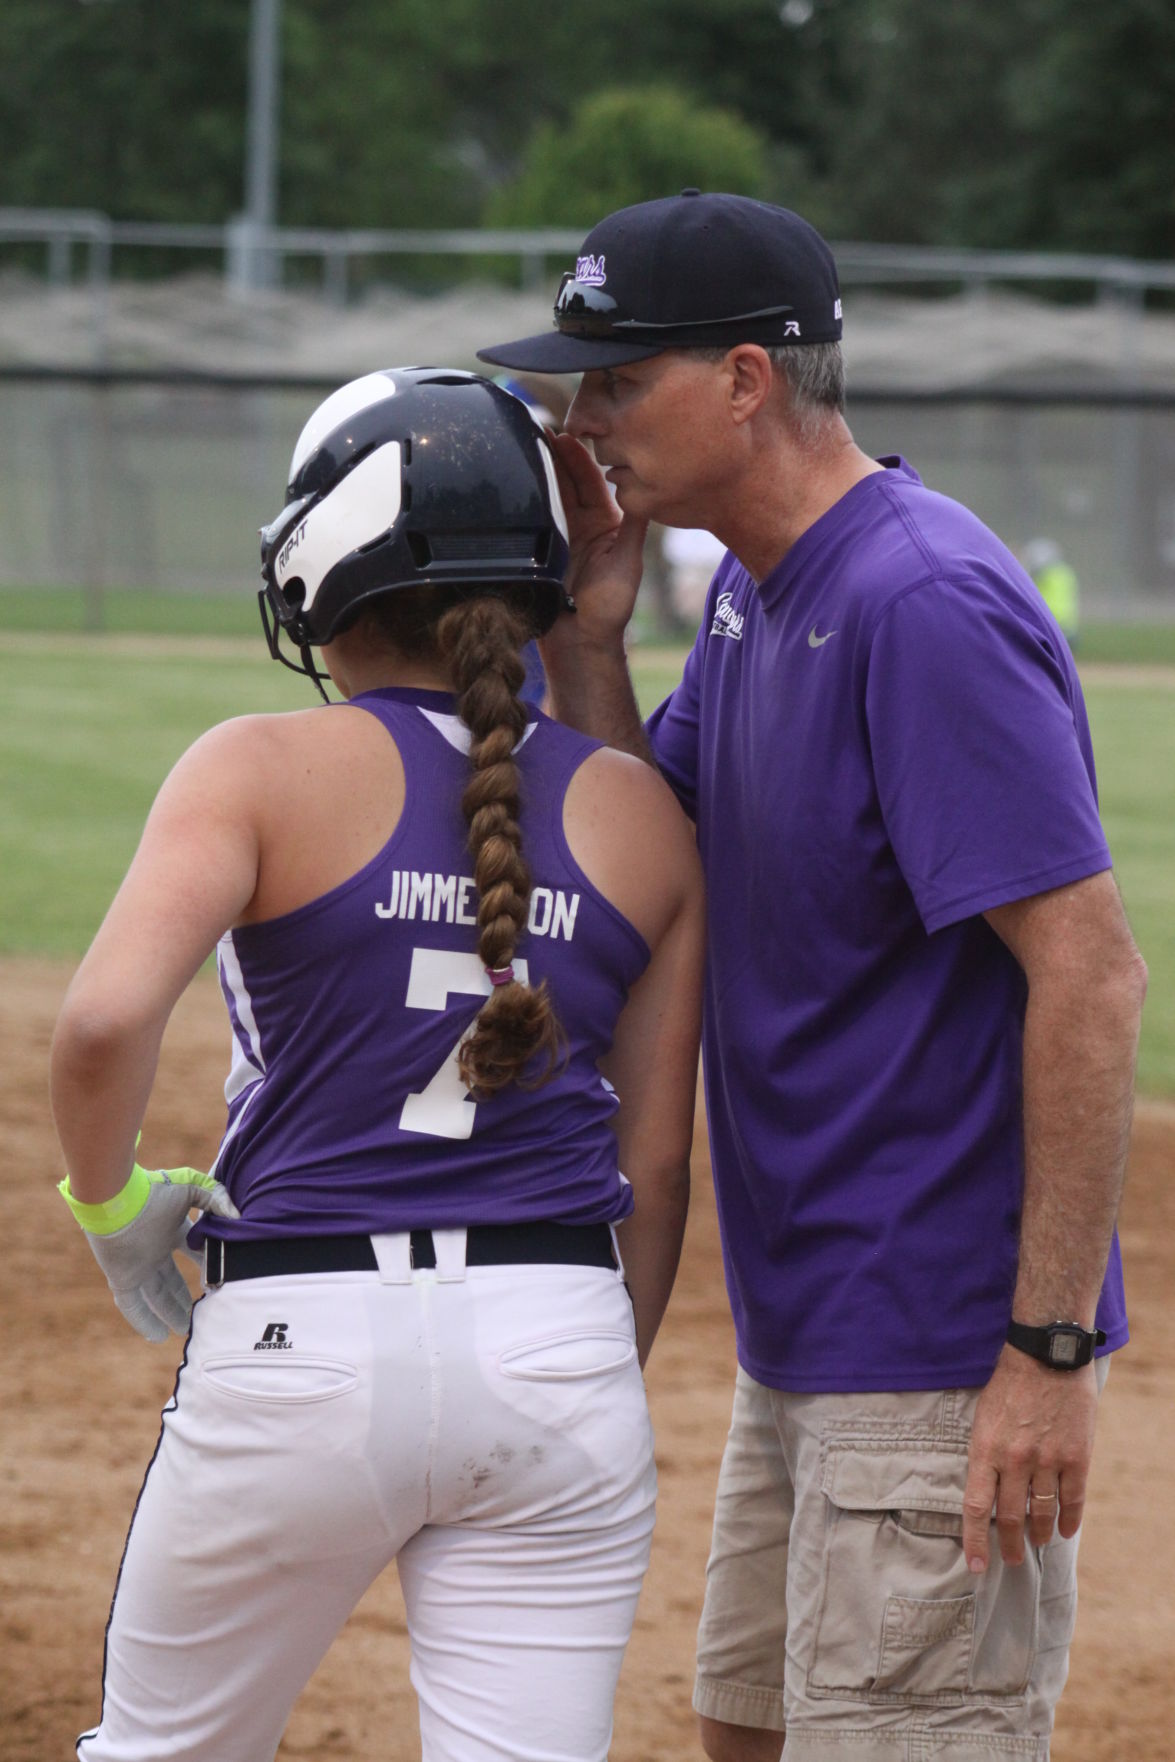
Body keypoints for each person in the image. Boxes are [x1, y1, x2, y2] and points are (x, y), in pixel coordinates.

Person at [477, 191, 1148, 1762]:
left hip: (928, 1341)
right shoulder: (753, 588)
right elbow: (662, 859)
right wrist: (590, 635)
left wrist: (1043, 1354)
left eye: (614, 381)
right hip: (808, 1332)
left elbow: (1092, 974)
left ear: (743, 380)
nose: (584, 424)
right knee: (749, 1729)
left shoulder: (918, 602)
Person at [50, 366, 704, 1762]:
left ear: (316, 574)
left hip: (301, 1337)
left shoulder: (255, 765)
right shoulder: (641, 811)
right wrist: (577, 1366)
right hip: (558, 1339)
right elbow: (652, 1163)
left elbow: (103, 1026)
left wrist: (116, 1214)